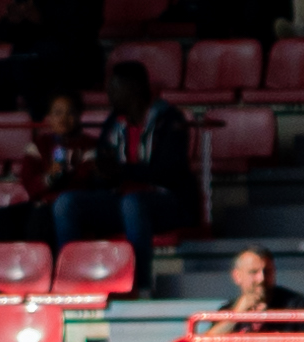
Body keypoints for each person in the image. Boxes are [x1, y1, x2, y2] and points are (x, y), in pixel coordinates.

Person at [53, 62, 199, 297]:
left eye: (115, 87)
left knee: (133, 203)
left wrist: (121, 171)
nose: (109, 93)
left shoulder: (169, 119)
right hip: (121, 199)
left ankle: (139, 287)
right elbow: (106, 165)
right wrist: (101, 173)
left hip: (168, 201)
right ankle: (73, 282)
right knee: (67, 203)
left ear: (134, 88)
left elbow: (168, 172)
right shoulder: (114, 122)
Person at [0, 88, 92, 245]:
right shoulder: (39, 144)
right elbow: (29, 183)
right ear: (49, 117)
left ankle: (43, 261)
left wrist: (64, 174)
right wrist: (49, 178)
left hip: (68, 210)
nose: (63, 118)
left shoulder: (90, 145)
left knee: (39, 219)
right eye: (58, 113)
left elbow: (86, 182)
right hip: (39, 204)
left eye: (70, 113)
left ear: (79, 115)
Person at [0, 0, 104, 117]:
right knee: (0, 70)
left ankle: (43, 121)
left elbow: (83, 30)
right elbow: (6, 34)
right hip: (32, 59)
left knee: (30, 67)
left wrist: (42, 19)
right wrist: (12, 21)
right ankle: (5, 124)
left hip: (76, 61)